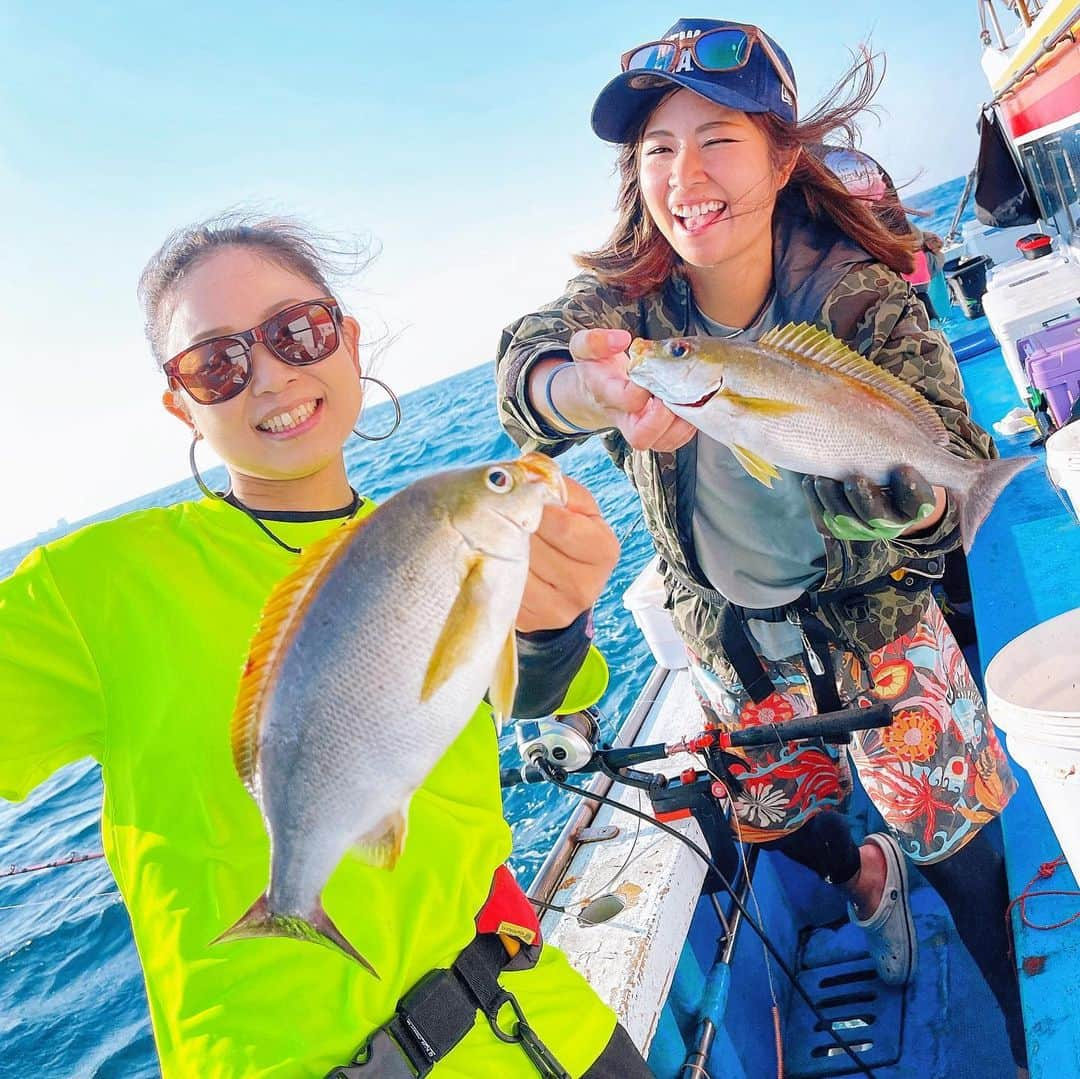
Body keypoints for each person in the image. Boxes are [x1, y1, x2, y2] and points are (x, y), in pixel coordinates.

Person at [0, 215, 656, 1078]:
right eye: (216, 364)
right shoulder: (90, 590)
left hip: (534, 1020)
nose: (270, 375)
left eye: (296, 331)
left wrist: (558, 621)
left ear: (345, 338)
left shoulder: (434, 531)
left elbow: (535, 692)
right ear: (180, 402)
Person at [495, 18, 1027, 1073]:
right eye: (656, 150)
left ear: (784, 155)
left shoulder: (860, 297)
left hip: (879, 626)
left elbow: (945, 464)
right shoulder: (635, 309)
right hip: (735, 641)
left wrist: (893, 494)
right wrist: (584, 383)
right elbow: (526, 368)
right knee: (778, 820)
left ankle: (1020, 1026)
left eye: (717, 140)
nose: (684, 175)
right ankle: (870, 881)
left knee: (960, 838)